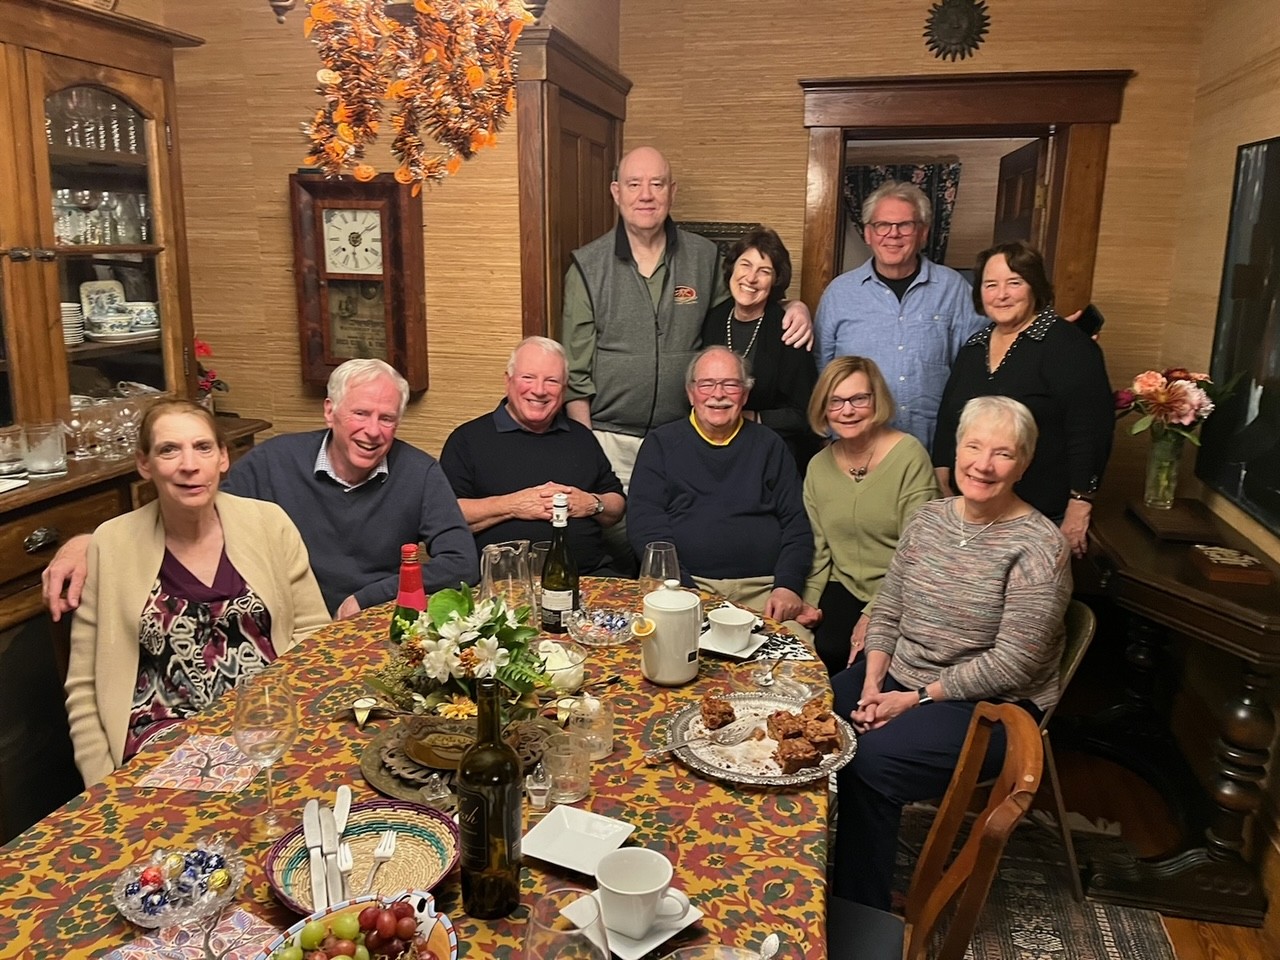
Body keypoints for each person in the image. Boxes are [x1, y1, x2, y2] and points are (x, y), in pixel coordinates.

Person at [831, 395, 1071, 909]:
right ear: (957, 450)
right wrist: (875, 681)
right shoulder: (929, 519)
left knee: (870, 761)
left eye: (1003, 453)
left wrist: (912, 699)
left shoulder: (1038, 546)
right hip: (902, 677)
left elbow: (1016, 662)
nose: (983, 465)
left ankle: (862, 906)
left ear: (1023, 463)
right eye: (974, 446)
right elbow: (889, 605)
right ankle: (807, 859)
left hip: (993, 708)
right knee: (809, 719)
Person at [42, 359, 478, 620]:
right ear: (330, 411)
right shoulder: (276, 462)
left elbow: (462, 563)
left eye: (387, 419)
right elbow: (192, 508)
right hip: (279, 624)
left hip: (369, 626)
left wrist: (368, 599)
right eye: (360, 413)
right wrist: (87, 542)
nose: (372, 431)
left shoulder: (418, 472)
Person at [64, 400, 331, 787]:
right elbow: (85, 685)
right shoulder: (112, 543)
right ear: (145, 464)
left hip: (266, 726)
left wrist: (297, 726)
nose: (189, 464)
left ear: (223, 458)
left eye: (203, 447)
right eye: (169, 450)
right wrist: (104, 783)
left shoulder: (268, 523)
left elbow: (314, 637)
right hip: (163, 743)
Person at [561, 146, 813, 492]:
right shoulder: (587, 267)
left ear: (673, 191)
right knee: (613, 537)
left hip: (688, 434)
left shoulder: (704, 256)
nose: (646, 195)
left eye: (658, 184)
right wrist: (585, 446)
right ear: (616, 192)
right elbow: (575, 374)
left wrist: (790, 305)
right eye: (634, 184)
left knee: (681, 536)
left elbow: (742, 313)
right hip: (610, 438)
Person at [932, 241, 1113, 557]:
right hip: (975, 511)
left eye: (1014, 282)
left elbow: (1090, 432)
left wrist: (1080, 506)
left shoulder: (1069, 346)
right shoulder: (974, 346)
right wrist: (943, 479)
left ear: (1034, 287)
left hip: (1044, 513)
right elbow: (950, 418)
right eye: (991, 285)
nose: (1001, 294)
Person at [627, 346, 813, 632]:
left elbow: (796, 524)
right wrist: (684, 592)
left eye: (730, 384)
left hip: (763, 592)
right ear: (691, 393)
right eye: (707, 384)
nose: (718, 394)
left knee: (792, 669)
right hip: (685, 589)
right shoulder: (660, 444)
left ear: (746, 393)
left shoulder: (770, 444)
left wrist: (788, 586)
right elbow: (646, 528)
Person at [814, 180, 986, 450]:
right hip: (857, 449)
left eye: (905, 225)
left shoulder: (953, 290)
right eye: (882, 225)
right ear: (868, 233)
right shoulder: (839, 294)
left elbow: (976, 369)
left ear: (923, 233)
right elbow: (821, 371)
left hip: (932, 448)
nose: (892, 234)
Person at [795, 357, 939, 675]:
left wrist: (876, 612)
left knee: (869, 657)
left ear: (877, 400)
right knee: (816, 652)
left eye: (859, 399)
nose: (847, 410)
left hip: (902, 586)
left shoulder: (909, 456)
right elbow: (820, 548)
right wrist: (809, 602)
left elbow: (920, 552)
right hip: (843, 584)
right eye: (836, 401)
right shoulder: (818, 467)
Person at [439, 337, 626, 574]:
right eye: (528, 378)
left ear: (564, 389)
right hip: (502, 584)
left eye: (552, 381)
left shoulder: (581, 437)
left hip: (588, 576)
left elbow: (617, 506)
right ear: (508, 381)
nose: (539, 390)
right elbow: (445, 515)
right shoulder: (467, 439)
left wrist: (592, 503)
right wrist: (513, 505)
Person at [700, 227, 819, 471]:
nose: (751, 278)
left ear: (776, 280)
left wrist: (749, 417)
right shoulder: (712, 319)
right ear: (732, 268)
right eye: (745, 265)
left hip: (772, 452)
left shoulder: (789, 327)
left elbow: (806, 412)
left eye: (764, 271)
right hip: (715, 447)